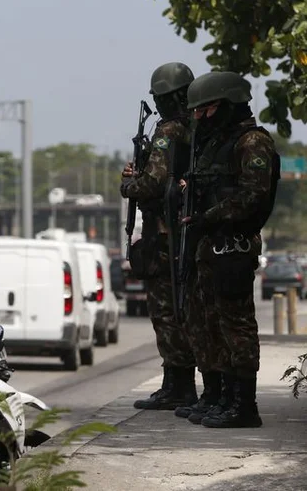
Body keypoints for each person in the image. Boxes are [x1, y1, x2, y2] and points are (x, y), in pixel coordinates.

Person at [179, 71, 280, 428]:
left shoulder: (252, 143)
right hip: (212, 242)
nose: (200, 119)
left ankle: (243, 404)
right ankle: (223, 397)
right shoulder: (218, 144)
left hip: (234, 243)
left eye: (206, 110)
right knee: (212, 322)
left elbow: (252, 196)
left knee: (236, 325)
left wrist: (209, 215)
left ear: (227, 104)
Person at [120, 62, 198, 410]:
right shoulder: (196, 127)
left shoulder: (168, 131)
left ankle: (177, 386)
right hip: (179, 232)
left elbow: (152, 182)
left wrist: (128, 185)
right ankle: (177, 383)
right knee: (180, 311)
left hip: (166, 234)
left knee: (166, 312)